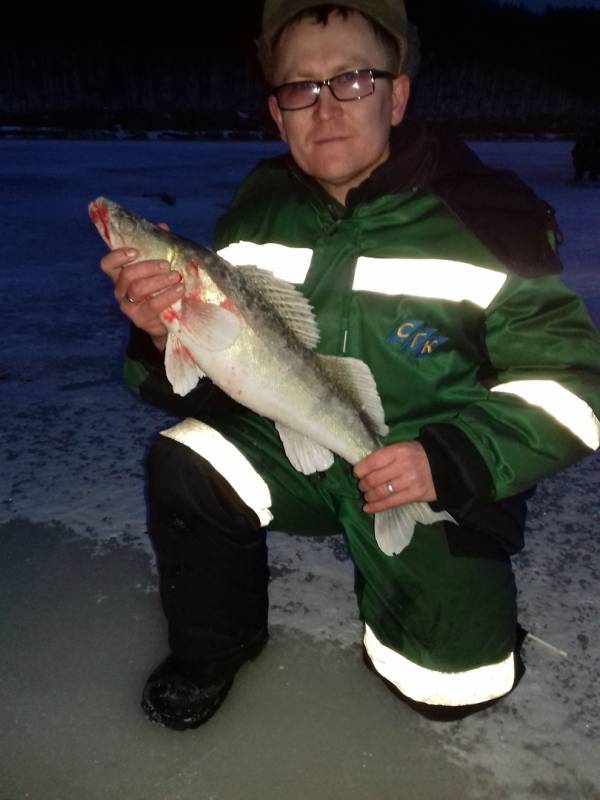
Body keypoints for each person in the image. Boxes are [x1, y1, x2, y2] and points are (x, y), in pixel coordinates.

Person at [100, 0, 600, 730]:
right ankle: (217, 646)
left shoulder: (490, 216)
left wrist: (451, 459)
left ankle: (427, 594)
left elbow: (575, 386)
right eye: (300, 87)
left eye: (353, 80)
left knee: (454, 688)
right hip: (298, 437)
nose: (326, 108)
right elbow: (217, 378)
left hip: (430, 462)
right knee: (189, 460)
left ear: (397, 95)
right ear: (277, 112)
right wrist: (157, 334)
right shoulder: (257, 209)